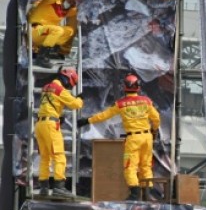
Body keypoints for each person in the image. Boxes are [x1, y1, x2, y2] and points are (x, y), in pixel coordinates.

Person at [78, 74, 161, 201]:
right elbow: (156, 118)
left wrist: (87, 121)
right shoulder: (146, 101)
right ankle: (147, 194)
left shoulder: (121, 104)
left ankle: (134, 195)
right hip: (147, 137)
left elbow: (104, 116)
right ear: (138, 87)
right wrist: (153, 131)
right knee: (146, 166)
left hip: (133, 139)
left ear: (124, 87)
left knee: (130, 166)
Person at [34, 68, 82, 197]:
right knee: (59, 155)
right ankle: (59, 187)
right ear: (67, 79)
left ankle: (44, 187)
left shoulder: (46, 87)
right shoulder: (60, 90)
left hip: (40, 124)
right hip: (50, 125)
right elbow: (75, 104)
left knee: (45, 156)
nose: (69, 86)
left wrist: (58, 115)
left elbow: (51, 104)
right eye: (70, 83)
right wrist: (80, 99)